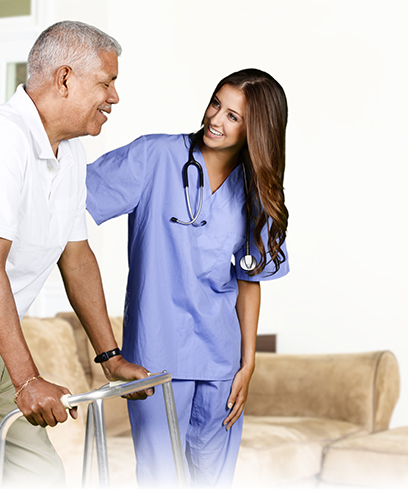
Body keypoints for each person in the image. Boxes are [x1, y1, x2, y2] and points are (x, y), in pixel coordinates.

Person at [0, 20, 151, 488]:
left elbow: (75, 257)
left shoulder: (70, 151)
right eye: (107, 82)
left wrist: (110, 356)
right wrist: (26, 380)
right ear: (64, 79)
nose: (114, 97)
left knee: (36, 473)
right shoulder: (1, 137)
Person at [86, 68, 290, 487]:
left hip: (221, 361)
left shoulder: (256, 191)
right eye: (217, 103)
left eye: (234, 116)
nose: (216, 119)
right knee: (162, 478)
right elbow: (66, 202)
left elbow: (249, 282)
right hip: (154, 358)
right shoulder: (154, 157)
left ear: (258, 130)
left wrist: (247, 364)